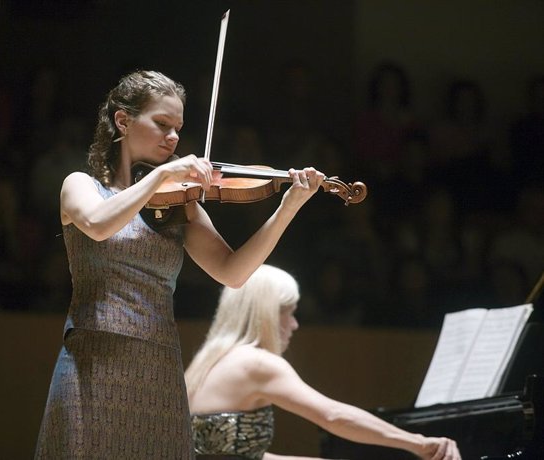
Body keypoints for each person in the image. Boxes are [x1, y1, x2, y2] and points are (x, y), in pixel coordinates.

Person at [34, 70, 326, 459]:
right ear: (122, 121)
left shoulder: (178, 204)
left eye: (178, 128)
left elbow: (233, 272)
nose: (173, 137)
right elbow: (100, 225)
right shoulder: (81, 186)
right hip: (93, 360)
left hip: (158, 366)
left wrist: (289, 207)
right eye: (161, 124)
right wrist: (162, 175)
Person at [185, 264, 462, 460]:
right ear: (267, 314)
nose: (294, 325)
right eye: (289, 313)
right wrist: (418, 443)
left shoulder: (208, 362)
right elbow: (334, 416)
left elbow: (229, 454)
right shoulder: (256, 363)